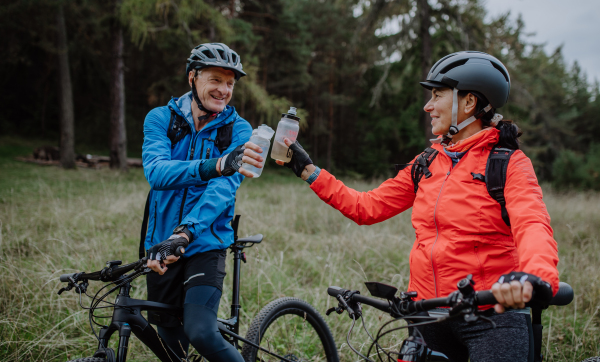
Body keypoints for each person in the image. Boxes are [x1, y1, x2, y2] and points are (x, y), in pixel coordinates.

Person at [275, 51, 559, 362]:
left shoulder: (507, 164)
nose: (428, 106)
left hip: (492, 317)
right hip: (428, 313)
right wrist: (310, 172)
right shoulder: (427, 162)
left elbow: (532, 224)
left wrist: (534, 277)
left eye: (437, 95)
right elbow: (366, 207)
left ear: (469, 103)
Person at [141, 42, 264, 362]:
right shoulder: (160, 119)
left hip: (205, 245)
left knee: (201, 332)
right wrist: (216, 164)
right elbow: (156, 172)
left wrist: (185, 232)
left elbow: (222, 190)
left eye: (230, 83)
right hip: (160, 246)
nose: (224, 90)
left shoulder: (239, 130)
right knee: (170, 344)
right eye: (215, 80)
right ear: (192, 78)